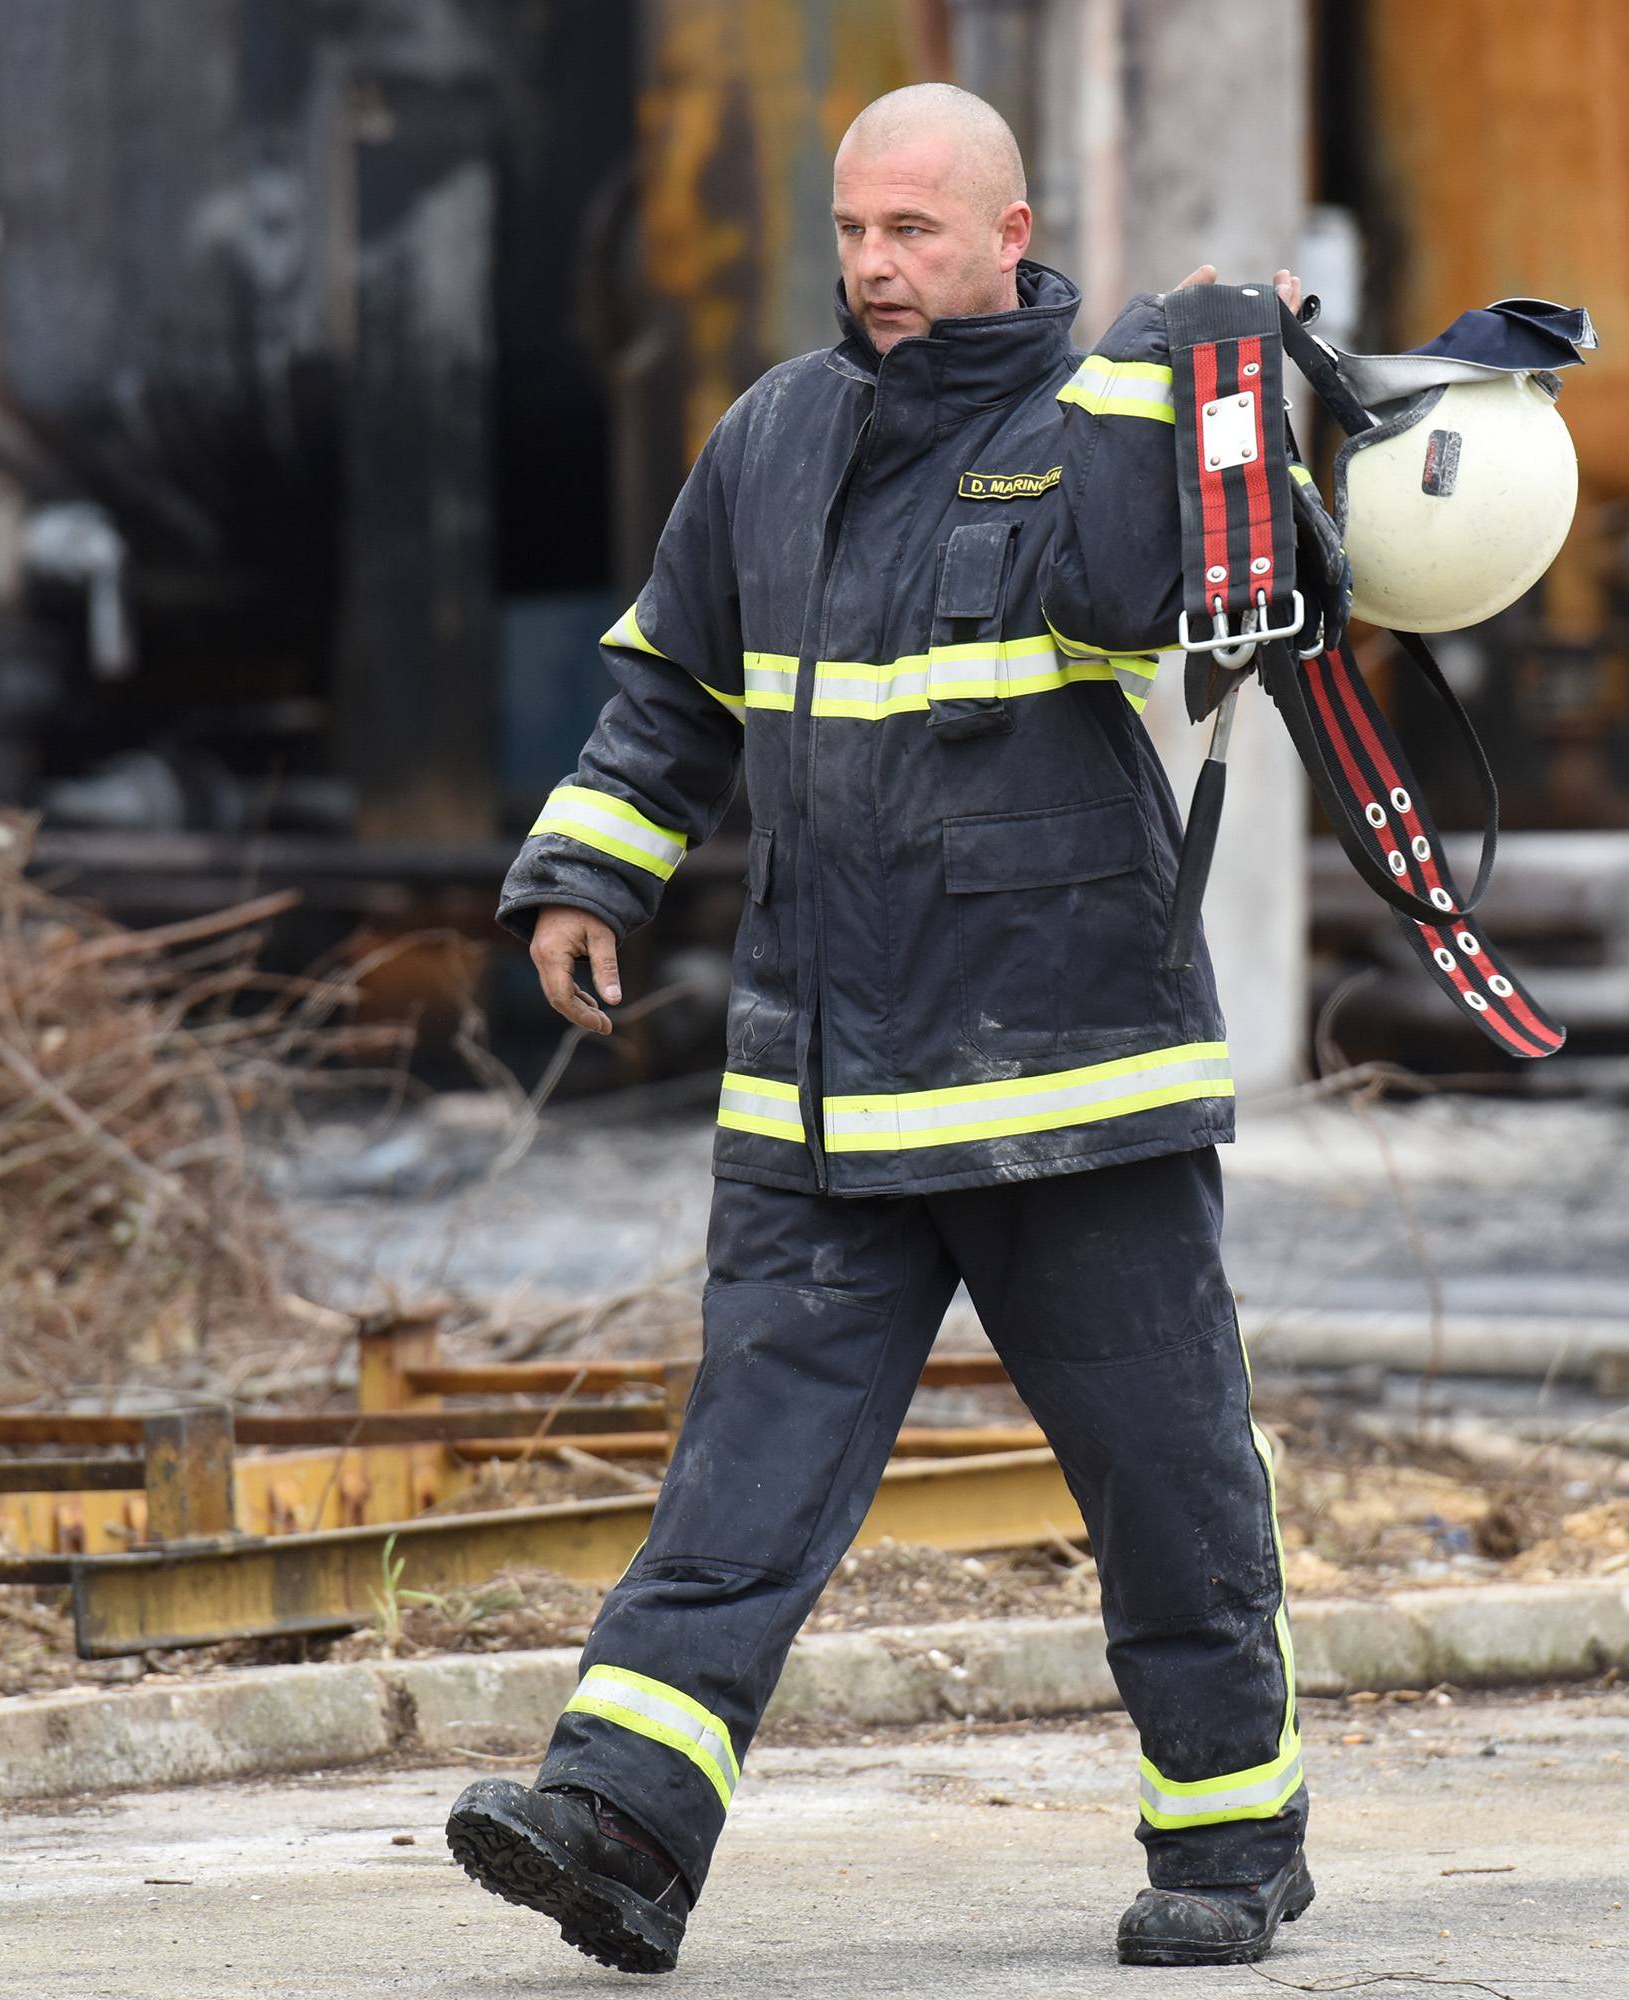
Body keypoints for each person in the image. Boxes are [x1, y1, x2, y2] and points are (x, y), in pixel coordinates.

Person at [446, 81, 1311, 1975]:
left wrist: (1181, 377)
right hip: (824, 1083)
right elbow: (668, 682)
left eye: (912, 232)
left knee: (1168, 1477)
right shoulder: (773, 435)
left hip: (1068, 1084)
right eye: (852, 232)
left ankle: (1233, 1845)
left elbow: (1137, 597)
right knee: (742, 1477)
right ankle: (620, 1824)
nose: (873, 267)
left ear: (1011, 234)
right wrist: (589, 872)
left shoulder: (1094, 428)